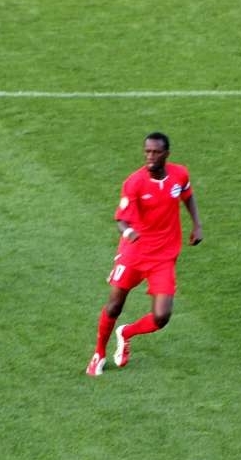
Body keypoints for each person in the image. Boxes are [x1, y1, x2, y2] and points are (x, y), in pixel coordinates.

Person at [85, 132, 203, 376]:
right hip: (134, 253)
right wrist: (129, 233)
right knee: (114, 305)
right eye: (147, 151)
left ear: (166, 154)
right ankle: (99, 354)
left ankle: (126, 333)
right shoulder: (134, 183)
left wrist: (197, 225)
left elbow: (187, 195)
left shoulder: (179, 174)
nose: (150, 156)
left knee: (162, 316)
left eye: (156, 152)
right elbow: (121, 219)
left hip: (163, 257)